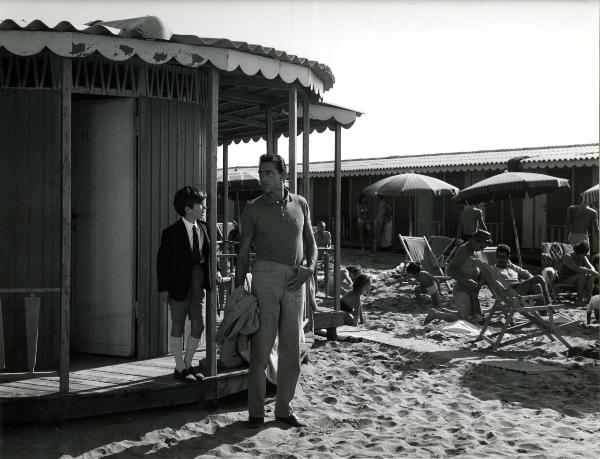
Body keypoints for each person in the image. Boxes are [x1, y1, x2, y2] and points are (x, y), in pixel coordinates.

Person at [235, 153, 317, 429]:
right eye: (261, 172)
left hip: (296, 279)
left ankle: (284, 410)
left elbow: (311, 244)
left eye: (269, 172)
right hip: (265, 277)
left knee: (292, 350)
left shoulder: (301, 204)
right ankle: (255, 414)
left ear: (283, 176)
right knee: (261, 348)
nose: (263, 177)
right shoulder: (252, 209)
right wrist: (240, 292)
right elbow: (244, 251)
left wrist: (310, 268)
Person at [157, 186, 220, 383]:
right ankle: (180, 367)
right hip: (178, 285)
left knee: (198, 324)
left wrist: (215, 271)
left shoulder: (203, 227)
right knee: (177, 324)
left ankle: (186, 364)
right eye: (200, 204)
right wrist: (164, 289)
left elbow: (209, 254)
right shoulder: (170, 233)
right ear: (187, 209)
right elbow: (162, 262)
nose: (204, 207)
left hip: (198, 284)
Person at [446, 229, 492, 322]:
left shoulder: (476, 251)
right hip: (462, 291)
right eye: (482, 246)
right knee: (466, 320)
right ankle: (436, 314)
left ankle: (444, 312)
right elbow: (449, 270)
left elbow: (480, 270)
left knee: (478, 319)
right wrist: (466, 281)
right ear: (475, 241)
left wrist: (481, 280)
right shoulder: (463, 251)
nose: (482, 249)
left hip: (473, 293)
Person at [558, 240, 598, 307]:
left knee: (590, 276)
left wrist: (592, 272)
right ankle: (579, 300)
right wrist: (591, 271)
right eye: (585, 253)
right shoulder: (568, 257)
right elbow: (577, 269)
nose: (586, 255)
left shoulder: (583, 257)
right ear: (580, 252)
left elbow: (591, 267)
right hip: (565, 279)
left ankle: (589, 299)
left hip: (577, 279)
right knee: (582, 275)